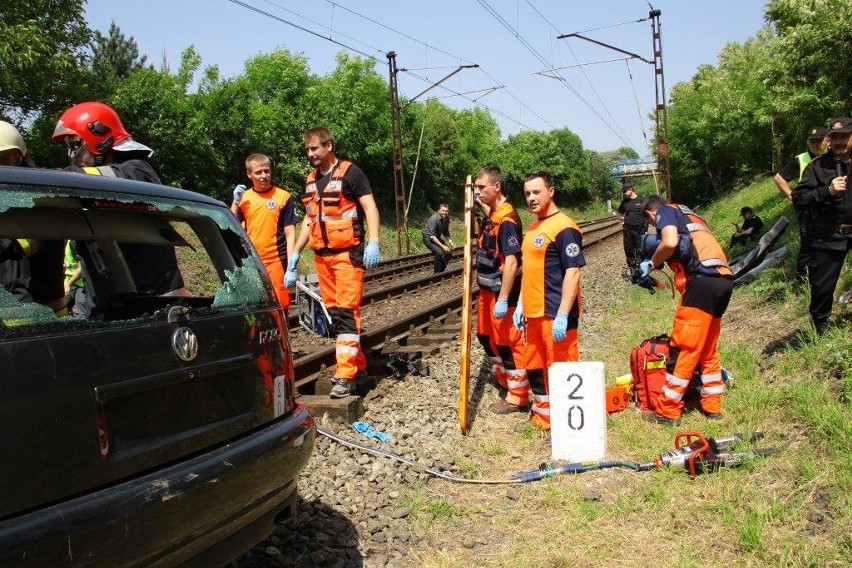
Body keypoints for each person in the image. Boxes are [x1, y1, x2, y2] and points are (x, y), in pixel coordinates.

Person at [51, 101, 187, 297]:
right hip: (107, 301)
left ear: (100, 139)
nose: (72, 156)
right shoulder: (88, 189)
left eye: (75, 145)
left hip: (155, 303)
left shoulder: (139, 171)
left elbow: (87, 179)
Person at [289, 126, 381, 398]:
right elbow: (309, 219)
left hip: (347, 255)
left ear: (329, 146)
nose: (310, 154)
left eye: (315, 148)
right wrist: (295, 255)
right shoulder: (310, 180)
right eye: (307, 150)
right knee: (335, 315)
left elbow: (370, 207)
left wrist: (374, 241)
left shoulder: (352, 173)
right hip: (322, 258)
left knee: (345, 312)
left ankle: (345, 375)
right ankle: (359, 366)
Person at [639, 195, 733, 424]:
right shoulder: (690, 214)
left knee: (685, 348)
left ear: (651, 214)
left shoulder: (665, 212)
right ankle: (712, 406)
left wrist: (651, 263)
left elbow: (670, 242)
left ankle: (668, 411)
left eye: (654, 226)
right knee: (707, 348)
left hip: (701, 281)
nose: (656, 228)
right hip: (723, 279)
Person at [513, 171, 584, 430]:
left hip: (554, 312)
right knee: (535, 367)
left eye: (536, 192)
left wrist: (564, 314)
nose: (531, 198)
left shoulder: (564, 227)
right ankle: (544, 416)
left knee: (561, 369)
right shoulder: (533, 228)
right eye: (527, 194)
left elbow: (573, 272)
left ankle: (567, 423)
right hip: (533, 314)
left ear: (551, 191)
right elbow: (529, 271)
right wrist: (521, 304)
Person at [472, 166, 528, 414]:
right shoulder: (494, 211)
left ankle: (517, 395)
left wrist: (504, 299)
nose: (478, 192)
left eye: (481, 188)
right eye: (476, 187)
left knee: (506, 342)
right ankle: (503, 377)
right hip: (486, 289)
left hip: (500, 292)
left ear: (497, 187)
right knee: (485, 335)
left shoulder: (507, 220)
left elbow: (513, 261)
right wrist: (474, 202)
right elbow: (489, 212)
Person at [792, 117, 852, 336]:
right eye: (835, 137)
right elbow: (799, 199)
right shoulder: (817, 167)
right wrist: (827, 191)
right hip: (829, 234)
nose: (839, 142)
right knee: (822, 287)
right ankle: (821, 329)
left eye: (844, 136)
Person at [0, 121, 66, 315]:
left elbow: (19, 252)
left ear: (19, 158)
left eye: (4, 159)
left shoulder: (38, 199)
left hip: (29, 318)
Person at [230, 153, 298, 311]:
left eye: (266, 171)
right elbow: (230, 225)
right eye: (258, 172)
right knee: (254, 307)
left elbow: (290, 233)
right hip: (252, 261)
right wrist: (234, 202)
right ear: (249, 174)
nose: (264, 176)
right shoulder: (244, 198)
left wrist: (291, 265)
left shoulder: (283, 197)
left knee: (280, 305)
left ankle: (282, 335)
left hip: (277, 261)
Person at [774, 126, 828, 284]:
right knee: (808, 245)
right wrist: (792, 197)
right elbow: (779, 178)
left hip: (827, 207)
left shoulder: (833, 157)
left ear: (828, 141)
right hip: (808, 210)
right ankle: (801, 279)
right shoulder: (802, 159)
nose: (816, 145)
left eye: (819, 141)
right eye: (812, 142)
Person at [616, 178, 647, 271]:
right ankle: (632, 267)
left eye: (625, 191)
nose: (624, 193)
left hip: (639, 229)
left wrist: (646, 222)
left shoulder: (642, 200)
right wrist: (622, 219)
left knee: (640, 248)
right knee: (628, 248)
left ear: (630, 189)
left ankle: (640, 267)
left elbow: (648, 213)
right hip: (628, 229)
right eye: (623, 192)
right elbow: (619, 213)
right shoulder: (625, 202)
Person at [422, 203, 454, 273]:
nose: (444, 213)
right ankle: (436, 274)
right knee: (439, 253)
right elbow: (432, 236)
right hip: (428, 238)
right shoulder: (433, 219)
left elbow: (446, 232)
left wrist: (450, 242)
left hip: (436, 238)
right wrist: (443, 246)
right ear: (438, 210)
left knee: (449, 253)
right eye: (443, 210)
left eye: (446, 211)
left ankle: (441, 271)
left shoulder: (447, 219)